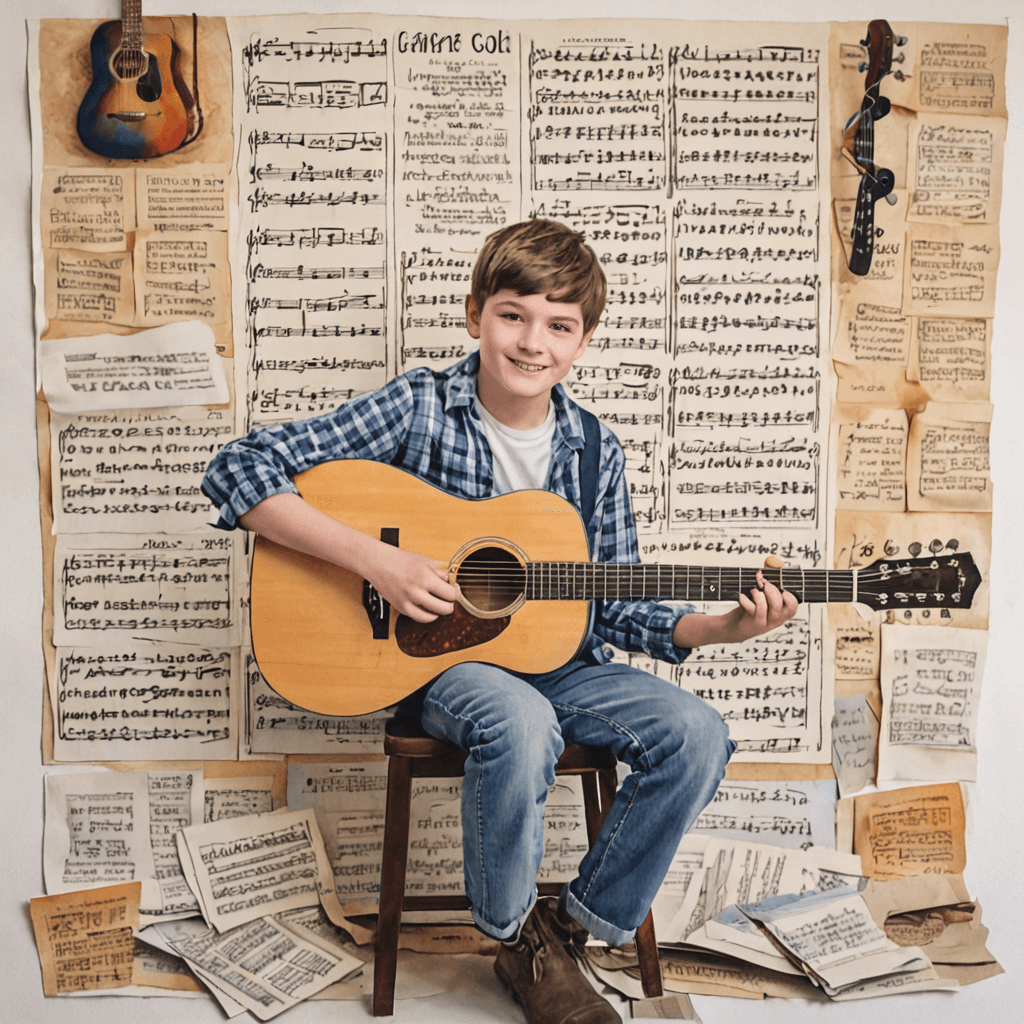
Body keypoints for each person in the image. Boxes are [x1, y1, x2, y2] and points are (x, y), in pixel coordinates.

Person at [203, 218, 797, 1024]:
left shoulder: (594, 448)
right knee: (520, 720)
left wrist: (727, 627)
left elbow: (618, 601)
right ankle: (513, 935)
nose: (532, 342)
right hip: (446, 670)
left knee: (695, 732)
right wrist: (377, 562)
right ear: (477, 311)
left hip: (565, 663)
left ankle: (567, 931)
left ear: (583, 340)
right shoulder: (420, 405)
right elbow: (239, 466)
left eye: (560, 325)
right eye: (514, 314)